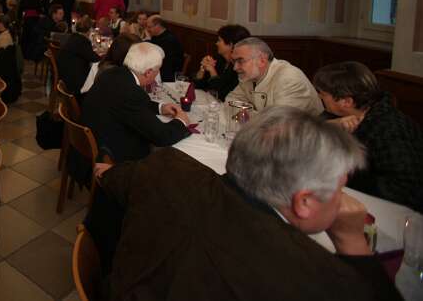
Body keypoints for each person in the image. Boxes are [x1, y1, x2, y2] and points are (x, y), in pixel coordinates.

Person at [95, 106, 403, 301]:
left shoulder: (165, 165)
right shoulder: (316, 278)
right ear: (304, 202)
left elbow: (112, 182)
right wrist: (351, 240)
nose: (341, 198)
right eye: (339, 187)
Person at [313, 61, 423, 212]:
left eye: (323, 94)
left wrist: (342, 176)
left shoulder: (389, 128)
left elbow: (406, 189)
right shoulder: (336, 114)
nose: (319, 95)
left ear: (346, 101)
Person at [82, 42, 190, 162]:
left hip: (93, 138)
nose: (157, 74)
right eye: (158, 70)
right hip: (111, 155)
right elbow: (162, 137)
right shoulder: (132, 92)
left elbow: (127, 104)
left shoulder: (111, 73)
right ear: (148, 72)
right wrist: (181, 121)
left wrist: (160, 107)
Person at [227, 37, 323, 114]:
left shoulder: (289, 79)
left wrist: (246, 114)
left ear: (262, 60)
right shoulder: (251, 76)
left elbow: (278, 122)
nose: (235, 68)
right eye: (234, 61)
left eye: (240, 61)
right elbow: (231, 100)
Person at [193, 24, 251, 99]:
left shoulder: (239, 68)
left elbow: (221, 95)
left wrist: (212, 71)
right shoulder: (219, 59)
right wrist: (203, 68)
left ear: (230, 45)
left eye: (219, 40)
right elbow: (198, 85)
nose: (216, 43)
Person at [57, 16, 101, 98]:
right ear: (89, 30)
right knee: (98, 79)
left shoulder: (73, 37)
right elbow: (95, 59)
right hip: (73, 80)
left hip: (64, 74)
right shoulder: (82, 42)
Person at [145, 15, 184, 82]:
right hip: (159, 68)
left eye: (149, 27)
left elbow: (167, 63)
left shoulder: (169, 40)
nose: (147, 30)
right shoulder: (156, 36)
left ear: (158, 26)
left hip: (168, 74)